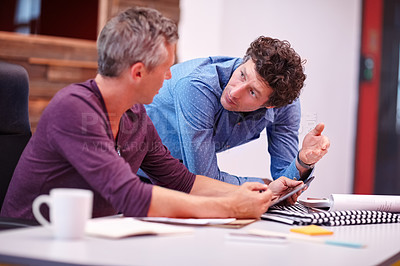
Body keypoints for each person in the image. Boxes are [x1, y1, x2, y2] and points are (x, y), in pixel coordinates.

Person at [1, 7, 304, 221]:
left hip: (92, 239)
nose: (170, 77)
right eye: (165, 68)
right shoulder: (76, 110)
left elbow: (182, 179)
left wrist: (252, 191)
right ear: (138, 72)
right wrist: (231, 207)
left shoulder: (135, 116)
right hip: (31, 241)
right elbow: (131, 195)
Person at [144, 36, 330, 185]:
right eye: (242, 75)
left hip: (177, 181)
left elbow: (285, 182)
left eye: (252, 92)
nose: (234, 91)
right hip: (134, 172)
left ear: (270, 104)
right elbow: (204, 181)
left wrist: (302, 162)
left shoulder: (285, 106)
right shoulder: (196, 87)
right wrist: (264, 187)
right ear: (245, 61)